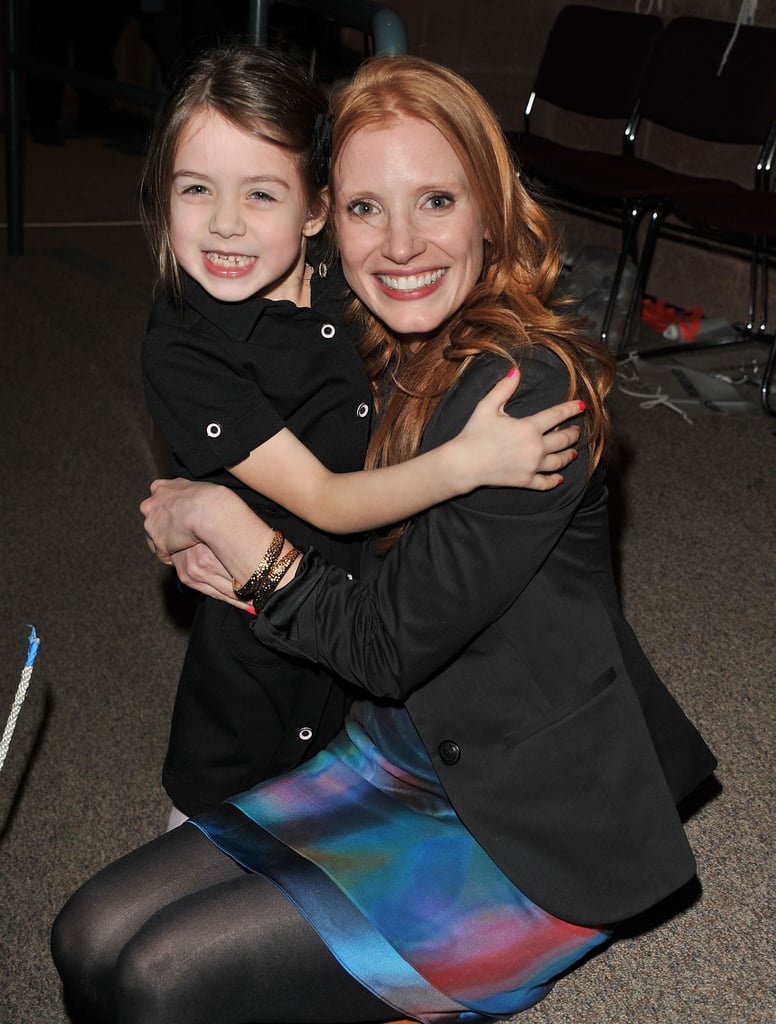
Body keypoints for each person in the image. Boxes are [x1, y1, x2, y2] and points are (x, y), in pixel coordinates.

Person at [51, 55, 716, 1024]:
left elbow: (378, 641)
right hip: (381, 751)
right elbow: (236, 399)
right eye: (366, 208)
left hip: (521, 813)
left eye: (434, 200)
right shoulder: (359, 340)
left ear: (488, 209)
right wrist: (195, 506)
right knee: (85, 934)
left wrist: (230, 529)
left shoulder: (528, 393)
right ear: (328, 220)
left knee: (161, 977)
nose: (399, 244)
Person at [139, 43, 582, 825]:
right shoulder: (186, 345)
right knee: (154, 883)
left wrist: (205, 513)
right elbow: (325, 500)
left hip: (366, 665)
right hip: (262, 646)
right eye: (196, 189)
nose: (227, 223)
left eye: (262, 194)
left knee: (200, 920)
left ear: (312, 210)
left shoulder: (347, 286)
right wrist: (466, 463)